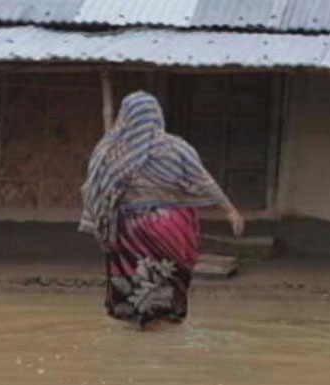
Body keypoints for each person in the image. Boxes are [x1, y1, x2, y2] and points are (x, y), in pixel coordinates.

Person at [79, 91, 244, 328]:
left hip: (129, 228)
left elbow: (94, 189)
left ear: (124, 115)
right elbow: (202, 181)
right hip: (172, 225)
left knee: (132, 280)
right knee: (169, 278)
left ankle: (136, 330)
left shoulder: (108, 150)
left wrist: (99, 225)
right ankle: (168, 329)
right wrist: (229, 210)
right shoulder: (176, 148)